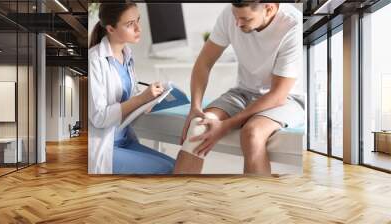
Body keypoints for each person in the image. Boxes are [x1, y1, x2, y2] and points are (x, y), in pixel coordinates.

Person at [173, 2, 304, 175]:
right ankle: (180, 197)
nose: (237, 23)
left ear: (269, 8)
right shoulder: (231, 13)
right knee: (198, 126)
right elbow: (204, 63)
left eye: (245, 18)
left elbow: (278, 95)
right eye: (236, 17)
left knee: (252, 134)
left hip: (286, 99)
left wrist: (226, 125)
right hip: (243, 93)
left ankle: (254, 200)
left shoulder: (292, 25)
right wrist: (195, 107)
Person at [88, 3, 175, 174]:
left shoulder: (127, 55)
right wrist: (140, 99)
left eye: (138, 21)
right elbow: (98, 117)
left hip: (125, 139)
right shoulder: (94, 61)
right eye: (130, 24)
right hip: (105, 146)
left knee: (179, 166)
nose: (138, 28)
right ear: (111, 29)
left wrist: (150, 99)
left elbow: (129, 98)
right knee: (167, 169)